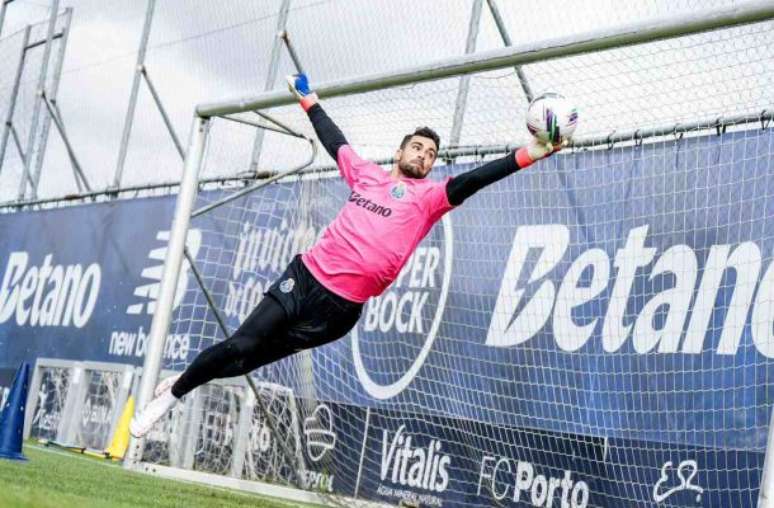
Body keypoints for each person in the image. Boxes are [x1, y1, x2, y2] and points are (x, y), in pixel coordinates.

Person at [130, 74, 563, 437]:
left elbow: (475, 179)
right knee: (240, 343)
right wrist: (309, 101)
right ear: (399, 152)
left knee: (247, 361)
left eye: (431, 154)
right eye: (417, 148)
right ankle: (172, 396)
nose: (424, 156)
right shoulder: (367, 175)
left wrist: (531, 154)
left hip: (339, 312)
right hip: (303, 280)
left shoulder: (430, 198)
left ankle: (187, 378)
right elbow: (335, 140)